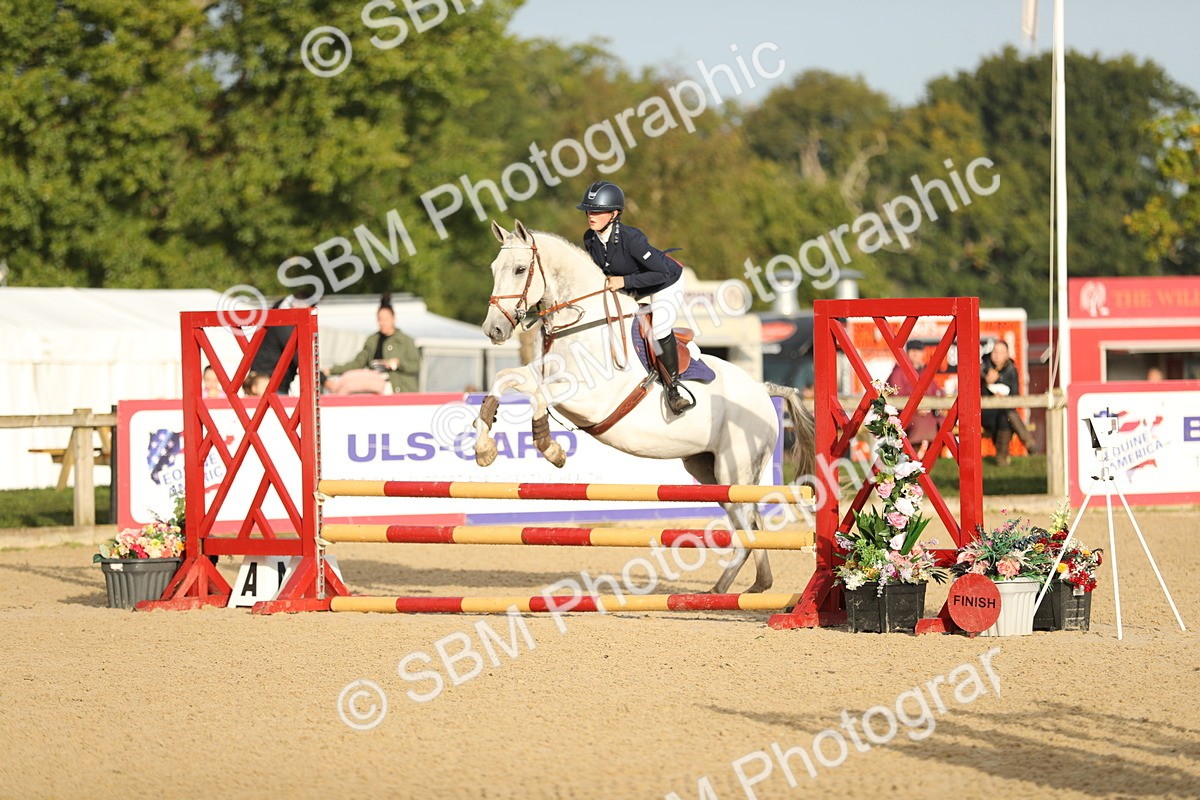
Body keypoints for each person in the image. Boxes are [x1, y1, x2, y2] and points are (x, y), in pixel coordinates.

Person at [577, 180, 691, 414]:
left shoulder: (632, 238)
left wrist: (625, 282)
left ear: (614, 213)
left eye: (598, 211)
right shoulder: (590, 239)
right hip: (635, 287)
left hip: (666, 282)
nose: (591, 215)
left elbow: (661, 272)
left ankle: (674, 388)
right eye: (589, 210)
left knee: (658, 329)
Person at [326, 293, 419, 394]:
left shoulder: (405, 341)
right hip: (376, 388)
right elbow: (357, 364)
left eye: (385, 319)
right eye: (380, 320)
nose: (382, 323)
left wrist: (398, 363)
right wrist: (332, 370)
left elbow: (416, 365)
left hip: (400, 391)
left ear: (393, 319)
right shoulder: (372, 340)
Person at [886, 341, 942, 458]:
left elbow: (937, 392)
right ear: (907, 353)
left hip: (928, 413)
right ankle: (914, 458)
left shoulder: (926, 372)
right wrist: (916, 409)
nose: (916, 354)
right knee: (922, 425)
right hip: (906, 415)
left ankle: (929, 457)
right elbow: (896, 398)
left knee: (945, 422)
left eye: (918, 351)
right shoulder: (898, 372)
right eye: (913, 351)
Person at [981, 339, 1020, 466]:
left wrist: (1002, 394)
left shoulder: (1011, 370)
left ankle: (1001, 457)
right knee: (1006, 416)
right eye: (995, 351)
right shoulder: (983, 367)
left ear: (1007, 355)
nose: (997, 355)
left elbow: (1015, 394)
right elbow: (975, 393)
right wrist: (987, 383)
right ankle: (1027, 441)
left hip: (1004, 411)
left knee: (1005, 417)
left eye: (1001, 352)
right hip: (985, 412)